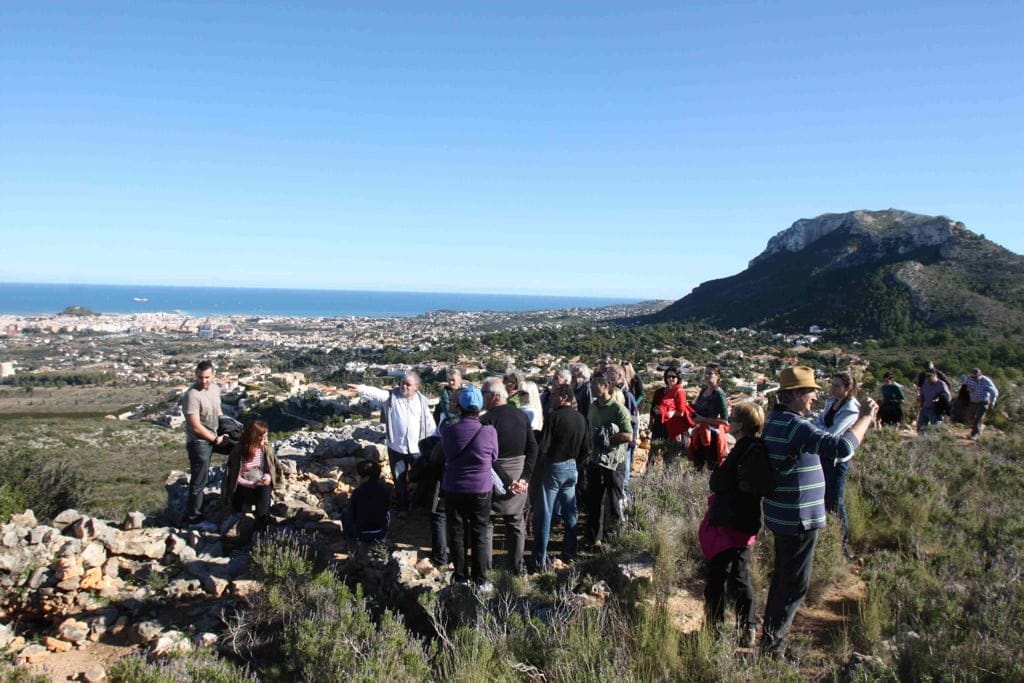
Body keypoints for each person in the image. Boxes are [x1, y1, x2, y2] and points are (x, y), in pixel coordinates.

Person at [760, 366, 877, 659]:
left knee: (783, 578)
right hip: (797, 516)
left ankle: (770, 638)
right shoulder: (795, 426)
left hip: (782, 513)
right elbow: (839, 447)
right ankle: (773, 647)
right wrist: (865, 418)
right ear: (797, 394)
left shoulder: (776, 420)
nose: (815, 397)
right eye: (811, 391)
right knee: (794, 584)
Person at [700, 402, 766, 646]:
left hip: (730, 523)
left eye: (733, 417)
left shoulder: (742, 450)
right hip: (747, 522)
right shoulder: (758, 448)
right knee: (740, 576)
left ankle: (714, 629)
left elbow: (718, 482)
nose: (729, 421)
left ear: (739, 424)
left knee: (717, 576)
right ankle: (747, 627)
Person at [347, 372, 436, 516]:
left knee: (421, 477)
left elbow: (429, 424)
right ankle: (403, 508)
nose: (404, 386)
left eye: (408, 384)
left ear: (416, 387)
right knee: (399, 478)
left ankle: (419, 504)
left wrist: (433, 441)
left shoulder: (422, 402)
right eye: (402, 383)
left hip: (417, 448)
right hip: (397, 447)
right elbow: (377, 393)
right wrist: (361, 388)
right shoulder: (392, 397)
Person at [440, 385, 499, 588]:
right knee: (479, 532)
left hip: (454, 486)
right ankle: (480, 579)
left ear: (460, 406)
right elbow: (494, 457)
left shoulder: (448, 430)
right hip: (480, 487)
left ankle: (460, 576)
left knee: (456, 532)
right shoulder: (488, 431)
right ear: (480, 406)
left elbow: (446, 453)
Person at [480, 377, 538, 575]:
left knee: (488, 524)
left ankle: (485, 571)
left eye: (483, 394)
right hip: (519, 479)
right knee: (515, 523)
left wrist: (507, 481)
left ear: (494, 396)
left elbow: (488, 456)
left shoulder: (486, 420)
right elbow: (533, 448)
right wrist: (525, 479)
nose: (482, 398)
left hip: (495, 479)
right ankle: (517, 569)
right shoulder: (522, 416)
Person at [533, 383, 589, 570]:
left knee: (545, 513)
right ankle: (570, 552)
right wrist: (576, 465)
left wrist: (537, 470)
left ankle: (539, 559)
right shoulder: (581, 418)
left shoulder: (554, 417)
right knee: (570, 512)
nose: (551, 399)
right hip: (572, 466)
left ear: (564, 397)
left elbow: (543, 447)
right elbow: (586, 448)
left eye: (555, 395)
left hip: (554, 467)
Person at [814, 372, 861, 556]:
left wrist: (818, 431)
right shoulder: (830, 403)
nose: (832, 389)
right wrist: (819, 430)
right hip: (823, 455)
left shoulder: (851, 408)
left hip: (836, 460)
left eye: (836, 386)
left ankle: (844, 541)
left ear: (848, 388)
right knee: (825, 498)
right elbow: (818, 423)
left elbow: (834, 433)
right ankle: (829, 537)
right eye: (832, 385)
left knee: (835, 500)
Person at [585, 370, 633, 545]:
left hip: (614, 462)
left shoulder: (618, 408)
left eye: (595, 384)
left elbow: (629, 435)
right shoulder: (593, 407)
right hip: (596, 459)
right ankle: (592, 537)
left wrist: (608, 440)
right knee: (594, 499)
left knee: (613, 500)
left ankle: (612, 537)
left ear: (605, 386)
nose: (591, 387)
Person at [182, 360, 226, 525]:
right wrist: (215, 440)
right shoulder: (192, 396)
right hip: (199, 441)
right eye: (200, 377)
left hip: (216, 434)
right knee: (200, 478)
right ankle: (193, 516)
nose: (204, 381)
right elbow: (195, 426)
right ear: (196, 375)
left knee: (239, 451)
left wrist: (226, 427)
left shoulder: (215, 389)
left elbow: (218, 410)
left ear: (213, 375)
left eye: (207, 377)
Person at [223, 420, 281, 531]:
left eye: (265, 437)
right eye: (262, 438)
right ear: (253, 437)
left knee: (264, 489)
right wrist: (251, 484)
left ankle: (262, 524)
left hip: (259, 483)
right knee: (258, 492)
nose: (264, 441)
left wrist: (267, 478)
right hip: (243, 486)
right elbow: (234, 477)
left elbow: (269, 469)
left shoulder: (265, 449)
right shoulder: (239, 451)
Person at [648, 368, 694, 469]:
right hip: (659, 426)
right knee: (653, 454)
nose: (671, 379)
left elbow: (681, 411)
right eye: (668, 376)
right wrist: (650, 422)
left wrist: (665, 412)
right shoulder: (659, 392)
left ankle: (669, 480)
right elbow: (652, 409)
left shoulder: (679, 391)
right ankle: (649, 477)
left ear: (678, 378)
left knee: (669, 457)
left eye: (673, 376)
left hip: (671, 427)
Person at [341, 459, 393, 547]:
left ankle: (350, 542)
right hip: (380, 532)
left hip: (361, 534)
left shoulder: (357, 492)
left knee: (345, 513)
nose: (356, 477)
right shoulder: (385, 490)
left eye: (357, 475)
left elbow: (352, 515)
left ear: (366, 477)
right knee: (387, 514)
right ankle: (382, 540)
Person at [689, 363, 730, 471]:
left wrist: (702, 419)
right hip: (700, 433)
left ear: (718, 376)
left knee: (711, 468)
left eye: (710, 373)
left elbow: (725, 421)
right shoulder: (703, 391)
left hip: (712, 437)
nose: (707, 375)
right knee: (698, 466)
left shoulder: (719, 394)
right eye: (706, 373)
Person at [609, 364, 640, 496]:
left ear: (620, 377)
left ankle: (626, 510)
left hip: (625, 443)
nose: (607, 375)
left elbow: (634, 420)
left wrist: (631, 441)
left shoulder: (627, 396)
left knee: (624, 479)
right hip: (615, 443)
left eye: (611, 373)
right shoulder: (612, 393)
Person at [961, 367, 999, 440]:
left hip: (983, 401)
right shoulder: (968, 379)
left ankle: (974, 435)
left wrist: (992, 402)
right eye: (973, 376)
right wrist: (968, 388)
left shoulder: (986, 381)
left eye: (976, 376)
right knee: (970, 416)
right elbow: (962, 379)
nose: (974, 378)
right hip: (973, 401)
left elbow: (994, 391)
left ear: (980, 375)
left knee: (978, 418)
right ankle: (980, 426)